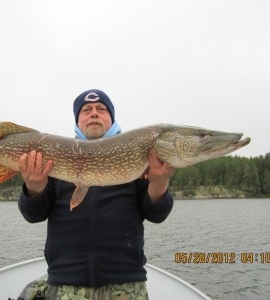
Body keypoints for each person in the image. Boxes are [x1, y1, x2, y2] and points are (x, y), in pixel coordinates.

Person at [17, 89, 175, 300]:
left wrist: (159, 183)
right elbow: (33, 215)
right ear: (77, 120)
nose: (94, 113)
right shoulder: (54, 157)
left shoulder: (140, 155)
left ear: (111, 118)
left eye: (101, 109)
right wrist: (34, 187)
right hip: (65, 283)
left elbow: (157, 214)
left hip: (126, 284)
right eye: (86, 110)